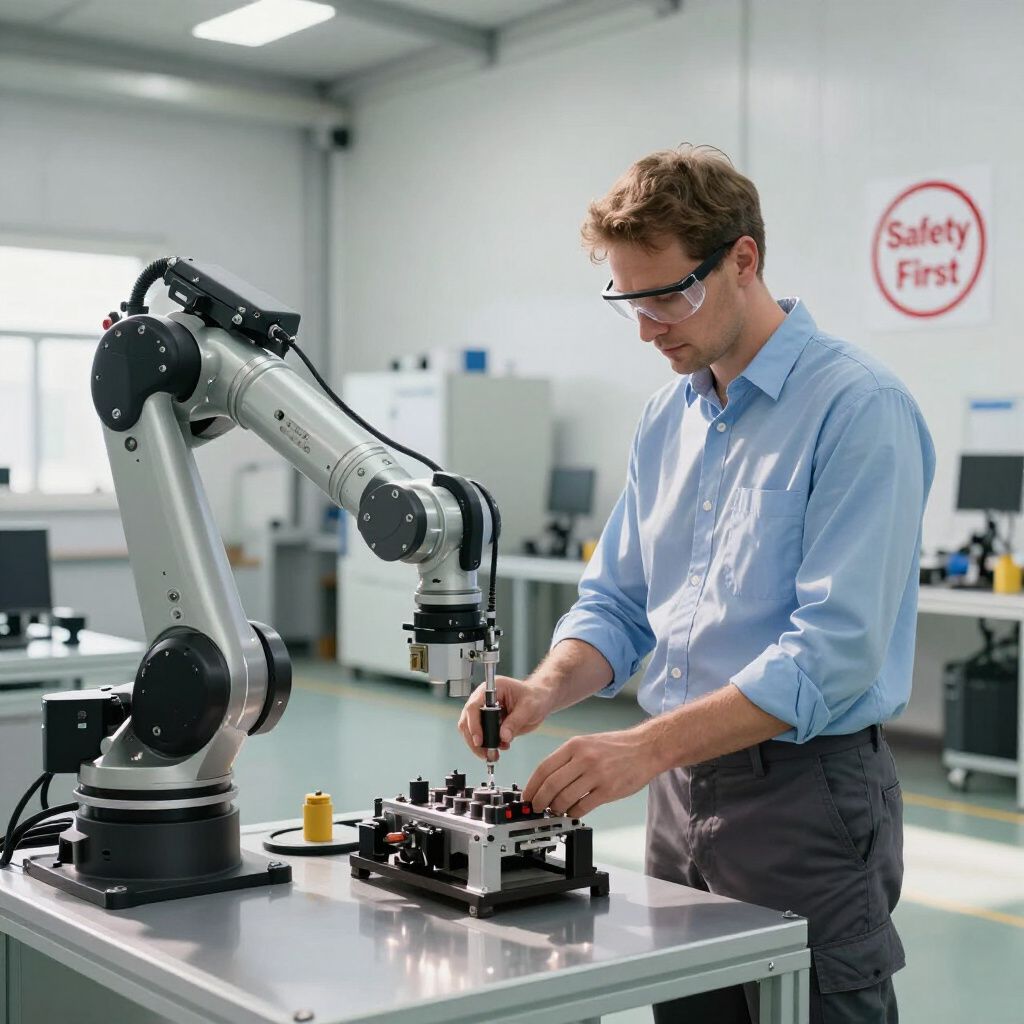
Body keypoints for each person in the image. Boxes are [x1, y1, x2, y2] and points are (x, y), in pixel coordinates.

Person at [458, 144, 935, 1023]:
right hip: (678, 796)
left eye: (667, 296)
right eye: (626, 301)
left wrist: (640, 750)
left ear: (742, 260)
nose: (647, 329)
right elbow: (619, 602)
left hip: (805, 798)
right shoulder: (665, 418)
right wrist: (548, 687)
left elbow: (830, 656)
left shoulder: (857, 408)